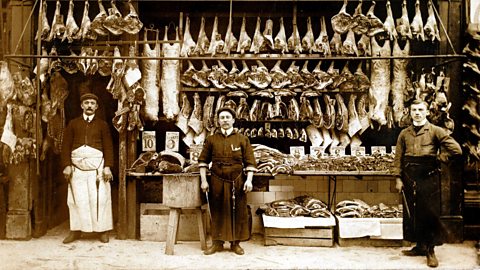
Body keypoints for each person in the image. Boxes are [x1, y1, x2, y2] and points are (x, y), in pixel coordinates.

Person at [393, 99, 462, 268]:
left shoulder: (435, 131)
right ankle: (419, 246)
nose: (417, 113)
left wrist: (440, 158)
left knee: (429, 213)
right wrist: (398, 178)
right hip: (409, 177)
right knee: (413, 213)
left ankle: (430, 250)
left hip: (429, 177)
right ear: (410, 112)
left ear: (426, 112)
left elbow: (456, 150)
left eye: (420, 110)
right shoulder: (404, 133)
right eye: (414, 110)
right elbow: (398, 158)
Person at [198, 107, 257, 255]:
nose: (225, 120)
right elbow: (203, 162)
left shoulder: (243, 139)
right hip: (216, 182)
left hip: (237, 182)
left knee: (237, 212)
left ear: (233, 120)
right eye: (222, 117)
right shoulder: (211, 140)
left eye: (227, 117)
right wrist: (204, 181)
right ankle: (216, 243)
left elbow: (250, 163)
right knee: (217, 211)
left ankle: (235, 244)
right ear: (218, 121)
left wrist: (248, 181)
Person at [61, 93, 114, 244]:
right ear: (81, 106)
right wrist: (66, 165)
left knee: (99, 200)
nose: (89, 105)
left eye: (92, 103)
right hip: (77, 169)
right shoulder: (73, 124)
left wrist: (108, 167)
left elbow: (108, 147)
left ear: (96, 107)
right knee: (77, 200)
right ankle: (76, 231)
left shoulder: (102, 125)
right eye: (86, 103)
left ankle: (102, 230)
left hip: (97, 169)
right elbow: (65, 146)